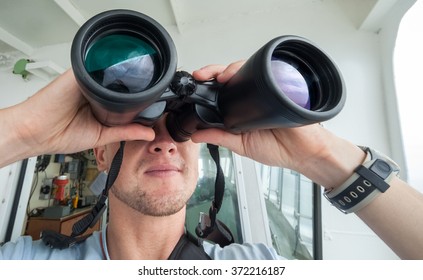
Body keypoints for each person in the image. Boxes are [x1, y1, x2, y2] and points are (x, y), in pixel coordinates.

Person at [0, 61, 422, 260]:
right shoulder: (27, 263)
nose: (164, 143)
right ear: (99, 151)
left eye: (183, 130)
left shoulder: (256, 265)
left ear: (201, 145)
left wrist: (323, 157)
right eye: (139, 127)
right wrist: (21, 133)